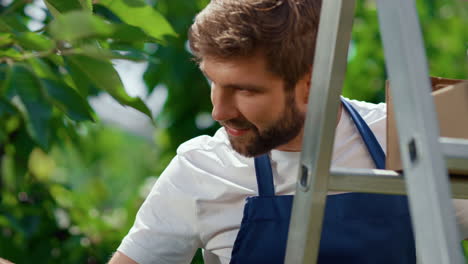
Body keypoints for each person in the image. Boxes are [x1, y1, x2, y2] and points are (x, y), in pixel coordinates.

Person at [109, 0, 468, 263]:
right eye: (212, 81)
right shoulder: (200, 169)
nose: (219, 111)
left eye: (246, 90)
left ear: (312, 83)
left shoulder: (406, 135)